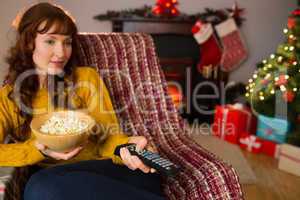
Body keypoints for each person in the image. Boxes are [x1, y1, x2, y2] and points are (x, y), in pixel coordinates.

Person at [2, 2, 164, 200]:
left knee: (148, 177)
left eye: (67, 42)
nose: (61, 53)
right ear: (28, 42)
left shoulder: (86, 79)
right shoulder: (8, 97)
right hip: (56, 181)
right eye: (50, 41)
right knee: (40, 188)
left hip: (107, 172)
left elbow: (107, 139)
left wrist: (129, 146)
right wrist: (35, 149)